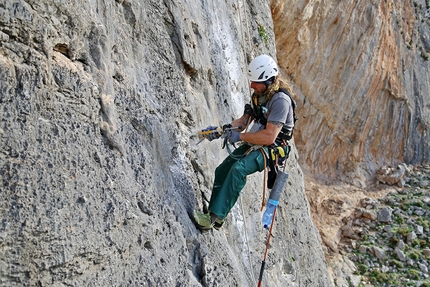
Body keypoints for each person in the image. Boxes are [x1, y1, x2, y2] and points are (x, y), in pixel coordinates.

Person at [193, 54, 295, 231]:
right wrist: (222, 130)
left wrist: (239, 137)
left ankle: (214, 217)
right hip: (258, 139)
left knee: (238, 170)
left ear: (269, 81)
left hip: (272, 148)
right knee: (223, 169)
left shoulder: (280, 101)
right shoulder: (260, 95)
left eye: (256, 82)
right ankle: (215, 215)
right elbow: (243, 122)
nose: (251, 85)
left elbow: (269, 136)